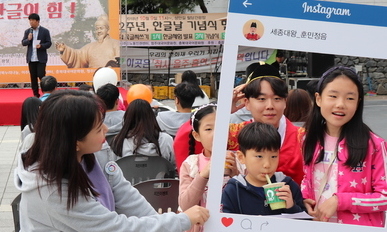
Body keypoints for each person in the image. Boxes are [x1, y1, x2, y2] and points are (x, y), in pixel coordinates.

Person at [14, 89, 209, 231]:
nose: (106, 131)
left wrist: (166, 225)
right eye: (99, 128)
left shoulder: (94, 154)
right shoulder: (53, 191)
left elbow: (127, 196)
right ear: (74, 142)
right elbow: (114, 228)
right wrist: (181, 220)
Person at [301, 66, 387, 227]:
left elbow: (384, 197)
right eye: (333, 96)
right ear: (318, 99)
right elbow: (307, 179)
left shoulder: (374, 145)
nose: (340, 104)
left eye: (350, 98)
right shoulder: (308, 139)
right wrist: (304, 199)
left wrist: (341, 201)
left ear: (358, 102)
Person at [229, 63, 304, 185]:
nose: (270, 106)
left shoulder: (304, 138)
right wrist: (223, 111)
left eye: (277, 99)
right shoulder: (233, 134)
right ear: (246, 102)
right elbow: (195, 133)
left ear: (285, 102)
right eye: (261, 99)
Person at [179, 104, 240, 232]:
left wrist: (236, 175)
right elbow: (185, 205)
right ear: (197, 136)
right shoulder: (191, 164)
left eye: (220, 128)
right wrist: (203, 175)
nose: (216, 134)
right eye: (208, 129)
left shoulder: (240, 160)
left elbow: (247, 200)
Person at [221, 122, 305, 215]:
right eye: (259, 156)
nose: (267, 164)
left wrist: (291, 207)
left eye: (273, 156)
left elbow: (304, 223)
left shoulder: (287, 185)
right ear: (241, 157)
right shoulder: (234, 189)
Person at [111, 99, 175, 166]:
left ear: (127, 118)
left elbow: (113, 168)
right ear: (152, 117)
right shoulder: (166, 139)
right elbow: (173, 165)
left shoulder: (119, 141)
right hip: (161, 176)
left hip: (126, 176)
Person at [55, 15, 120, 68]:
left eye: (101, 28)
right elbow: (78, 56)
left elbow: (119, 60)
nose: (99, 31)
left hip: (111, 75)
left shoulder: (115, 43)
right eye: (97, 29)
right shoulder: (90, 47)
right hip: (92, 77)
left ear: (107, 30)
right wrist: (65, 50)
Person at [21, 13, 52, 97]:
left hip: (41, 58)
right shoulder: (28, 31)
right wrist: (28, 39)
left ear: (37, 21)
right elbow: (23, 43)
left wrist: (41, 46)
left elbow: (49, 43)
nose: (31, 22)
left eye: (32, 20)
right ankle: (35, 95)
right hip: (31, 58)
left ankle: (45, 93)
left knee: (41, 76)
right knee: (33, 78)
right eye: (30, 20)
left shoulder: (44, 31)